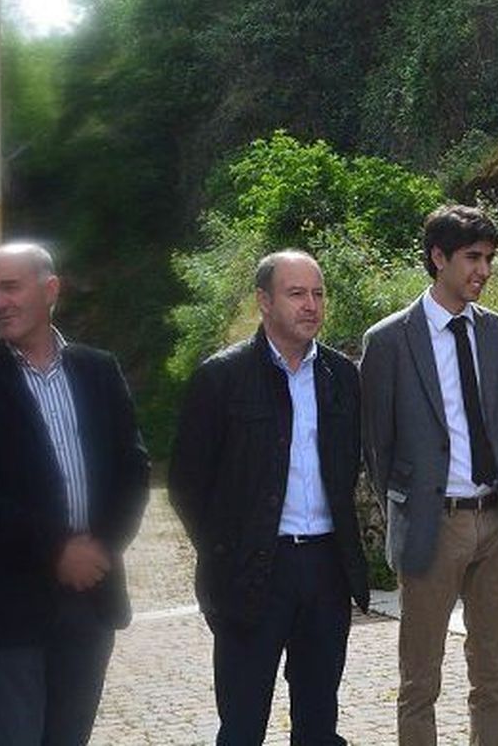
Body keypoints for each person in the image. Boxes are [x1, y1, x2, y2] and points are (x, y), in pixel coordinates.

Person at [0, 243, 150, 745]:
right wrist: (57, 549)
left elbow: (133, 471)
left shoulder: (99, 370)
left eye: (10, 288)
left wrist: (100, 549)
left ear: (50, 289)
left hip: (92, 597)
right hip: (12, 601)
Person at [169, 250, 370, 746]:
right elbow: (187, 484)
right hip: (253, 571)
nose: (311, 305)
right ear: (264, 300)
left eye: (318, 293)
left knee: (319, 724)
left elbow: (348, 465)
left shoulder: (341, 376)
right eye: (296, 293)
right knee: (242, 724)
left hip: (325, 567)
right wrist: (226, 552)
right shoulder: (221, 377)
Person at [360, 205, 498, 746]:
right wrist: (410, 509)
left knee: (492, 674)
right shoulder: (389, 340)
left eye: (489, 258)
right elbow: (376, 445)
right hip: (433, 522)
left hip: (494, 519)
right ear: (438, 257)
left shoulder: (497, 332)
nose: (484, 270)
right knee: (420, 679)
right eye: (473, 258)